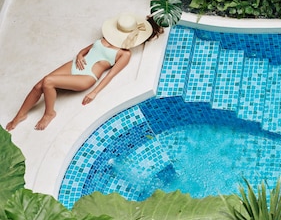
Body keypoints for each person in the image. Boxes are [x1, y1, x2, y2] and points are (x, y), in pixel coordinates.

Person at [5, 13, 163, 131]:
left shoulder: (125, 53)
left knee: (48, 81)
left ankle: (49, 113)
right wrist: (80, 56)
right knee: (39, 85)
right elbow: (86, 49)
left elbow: (111, 75)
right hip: (75, 65)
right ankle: (20, 115)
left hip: (87, 77)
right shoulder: (108, 37)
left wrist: (94, 92)